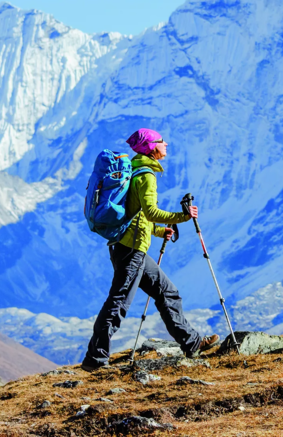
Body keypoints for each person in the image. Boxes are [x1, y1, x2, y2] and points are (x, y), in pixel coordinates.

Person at [81, 128, 219, 370]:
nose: (166, 144)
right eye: (161, 141)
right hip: (131, 250)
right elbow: (151, 212)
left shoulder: (136, 169)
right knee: (118, 304)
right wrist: (183, 216)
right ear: (151, 147)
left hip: (128, 246)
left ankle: (193, 343)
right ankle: (95, 360)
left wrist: (158, 231)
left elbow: (138, 216)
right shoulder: (146, 176)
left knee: (167, 292)